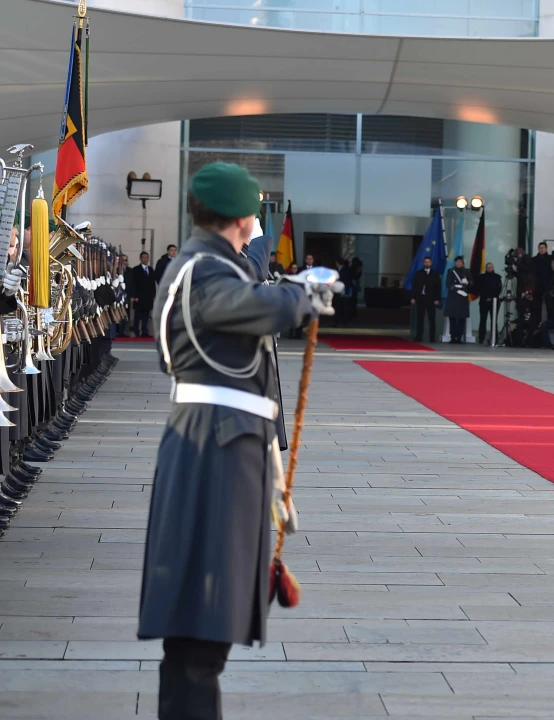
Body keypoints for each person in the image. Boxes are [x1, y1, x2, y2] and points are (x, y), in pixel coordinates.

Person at [139, 162, 337, 720]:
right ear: (243, 218)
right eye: (254, 214)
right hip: (216, 453)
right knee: (203, 618)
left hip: (217, 444)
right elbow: (249, 307)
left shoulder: (205, 264)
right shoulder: (204, 270)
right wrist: (306, 293)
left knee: (204, 625)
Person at [409, 256, 441, 343]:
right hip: (420, 299)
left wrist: (437, 299)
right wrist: (413, 297)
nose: (427, 263)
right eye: (425, 262)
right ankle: (418, 337)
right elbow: (414, 286)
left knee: (432, 319)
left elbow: (438, 287)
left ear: (431, 263)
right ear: (423, 263)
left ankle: (432, 338)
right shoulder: (419, 273)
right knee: (420, 319)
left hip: (431, 299)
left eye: (428, 262)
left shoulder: (435, 274)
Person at [445, 256, 472, 344]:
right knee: (452, 318)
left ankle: (459, 337)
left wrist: (467, 283)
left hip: (463, 298)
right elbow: (448, 284)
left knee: (461, 318)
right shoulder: (451, 271)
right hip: (453, 297)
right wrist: (457, 291)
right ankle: (453, 337)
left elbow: (471, 284)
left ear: (462, 263)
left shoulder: (467, 271)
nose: (458, 263)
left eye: (460, 262)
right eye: (457, 262)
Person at [476, 262, 503, 345]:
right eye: (488, 267)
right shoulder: (481, 277)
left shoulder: (497, 277)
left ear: (493, 268)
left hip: (494, 302)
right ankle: (481, 338)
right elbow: (479, 288)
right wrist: (485, 297)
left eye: (491, 267)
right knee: (483, 320)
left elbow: (499, 289)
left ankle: (494, 338)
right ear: (486, 268)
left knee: (494, 320)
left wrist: (492, 297)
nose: (489, 268)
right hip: (484, 301)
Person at [130, 251, 156, 337]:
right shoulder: (136, 269)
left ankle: (145, 331)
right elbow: (133, 283)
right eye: (144, 257)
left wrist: (153, 294)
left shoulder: (151, 269)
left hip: (148, 297)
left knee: (146, 315)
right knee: (137, 315)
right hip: (139, 296)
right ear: (140, 258)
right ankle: (136, 330)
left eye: (147, 257)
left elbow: (152, 283)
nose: (145, 259)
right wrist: (134, 296)